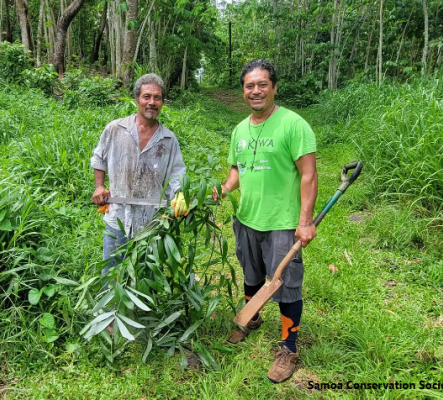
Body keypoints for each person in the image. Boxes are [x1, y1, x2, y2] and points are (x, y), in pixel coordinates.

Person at [213, 59, 318, 383]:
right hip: (247, 219)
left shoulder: (293, 125)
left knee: (286, 286)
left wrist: (304, 220)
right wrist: (225, 187)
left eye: (262, 85)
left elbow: (309, 174)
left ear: (274, 87)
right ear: (243, 91)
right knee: (252, 273)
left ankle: (289, 346)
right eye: (249, 86)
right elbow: (236, 169)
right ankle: (252, 317)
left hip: (282, 223)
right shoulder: (240, 129)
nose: (255, 91)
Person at [91, 73, 188, 274]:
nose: (152, 102)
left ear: (162, 102)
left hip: (151, 222)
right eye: (147, 96)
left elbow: (177, 173)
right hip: (117, 218)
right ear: (137, 99)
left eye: (157, 98)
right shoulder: (115, 129)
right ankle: (111, 307)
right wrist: (99, 186)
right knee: (111, 276)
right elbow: (99, 158)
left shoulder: (169, 140)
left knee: (145, 278)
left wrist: (179, 194)